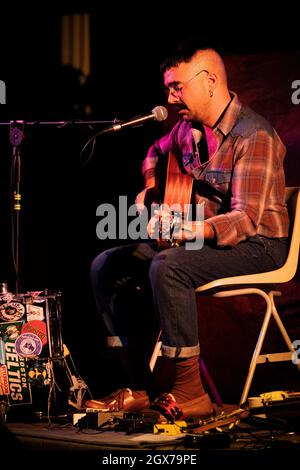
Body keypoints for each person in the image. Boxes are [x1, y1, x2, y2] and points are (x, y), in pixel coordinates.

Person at [84, 39, 289, 421]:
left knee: (169, 265)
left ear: (210, 81)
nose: (170, 96)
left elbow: (245, 220)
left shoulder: (253, 136)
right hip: (204, 238)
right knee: (107, 266)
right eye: (167, 88)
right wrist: (149, 186)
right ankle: (143, 384)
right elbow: (154, 152)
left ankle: (190, 393)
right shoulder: (186, 131)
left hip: (261, 243)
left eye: (178, 87)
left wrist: (186, 229)